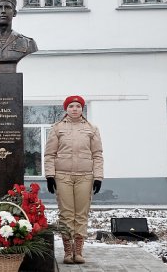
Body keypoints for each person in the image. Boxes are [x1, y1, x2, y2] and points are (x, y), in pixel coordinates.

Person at [44, 95, 103, 264]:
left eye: (78, 106)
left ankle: (79, 251)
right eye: (71, 106)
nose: (75, 109)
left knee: (81, 214)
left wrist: (98, 177)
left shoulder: (92, 129)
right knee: (67, 213)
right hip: (63, 177)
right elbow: (49, 154)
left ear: (82, 108)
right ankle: (68, 251)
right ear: (66, 109)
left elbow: (97, 155)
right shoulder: (57, 128)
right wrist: (50, 175)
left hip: (85, 177)